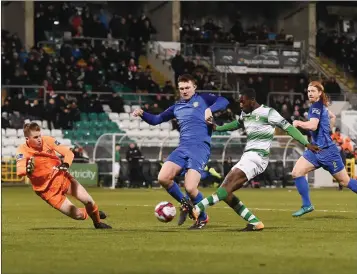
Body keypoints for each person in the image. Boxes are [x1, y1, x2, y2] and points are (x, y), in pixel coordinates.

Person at [180, 88, 320, 231]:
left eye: (243, 102)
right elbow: (237, 124)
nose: (240, 105)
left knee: (225, 188)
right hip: (248, 156)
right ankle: (254, 222)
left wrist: (306, 144)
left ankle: (197, 208)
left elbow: (289, 128)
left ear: (252, 101)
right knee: (226, 193)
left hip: (258, 157)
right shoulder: (245, 113)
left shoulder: (269, 113)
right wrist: (218, 128)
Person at [132, 74, 229, 229]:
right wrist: (142, 114)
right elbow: (157, 120)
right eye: (181, 88)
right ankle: (187, 205)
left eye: (187, 88)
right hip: (183, 147)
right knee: (163, 178)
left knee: (190, 188)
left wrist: (210, 110)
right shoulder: (176, 107)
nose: (184, 91)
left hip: (199, 148)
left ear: (194, 87)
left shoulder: (203, 99)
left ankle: (202, 218)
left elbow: (224, 101)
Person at [15, 122, 112, 229]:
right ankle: (94, 213)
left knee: (88, 200)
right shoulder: (22, 150)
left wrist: (65, 164)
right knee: (78, 215)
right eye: (35, 137)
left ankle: (97, 223)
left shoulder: (48, 140)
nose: (39, 139)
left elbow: (68, 153)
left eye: (40, 136)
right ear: (27, 139)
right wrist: (27, 171)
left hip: (61, 178)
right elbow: (20, 170)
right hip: (47, 192)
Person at [291, 81, 357, 216]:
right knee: (297, 172)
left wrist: (298, 123)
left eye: (313, 91)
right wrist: (327, 129)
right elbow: (332, 117)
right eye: (308, 91)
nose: (310, 93)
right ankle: (307, 205)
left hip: (328, 152)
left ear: (320, 93)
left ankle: (307, 204)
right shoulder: (322, 107)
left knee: (345, 181)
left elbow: (313, 126)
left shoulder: (316, 106)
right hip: (315, 150)